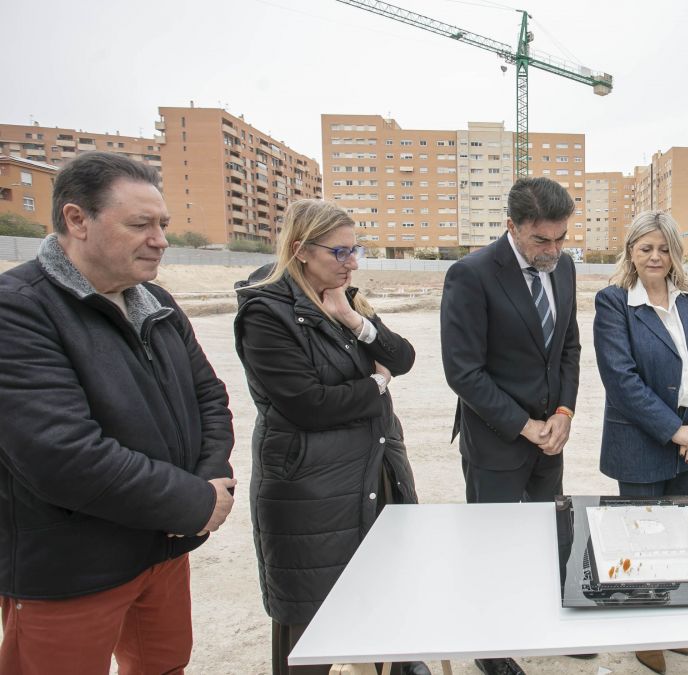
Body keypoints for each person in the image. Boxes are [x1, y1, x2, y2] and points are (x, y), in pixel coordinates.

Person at [0, 151, 235, 674]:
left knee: (163, 665)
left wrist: (209, 478)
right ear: (76, 220)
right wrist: (192, 500)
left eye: (164, 224)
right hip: (72, 569)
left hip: (162, 549)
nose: (161, 239)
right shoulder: (18, 308)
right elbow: (62, 455)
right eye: (140, 224)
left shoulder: (157, 303)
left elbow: (209, 400)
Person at [233, 200, 426, 675]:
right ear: (300, 249)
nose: (353, 261)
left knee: (379, 589)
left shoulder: (345, 298)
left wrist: (354, 320)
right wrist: (374, 385)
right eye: (341, 252)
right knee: (312, 617)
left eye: (355, 249)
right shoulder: (267, 312)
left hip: (374, 470)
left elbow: (402, 358)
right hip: (310, 488)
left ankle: (392, 663)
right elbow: (307, 404)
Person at [440, 177, 582, 675]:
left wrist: (563, 414)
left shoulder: (562, 268)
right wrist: (524, 425)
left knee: (548, 538)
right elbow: (463, 371)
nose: (554, 249)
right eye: (542, 240)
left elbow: (568, 347)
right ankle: (491, 646)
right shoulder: (471, 274)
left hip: (551, 439)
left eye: (562, 237)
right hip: (498, 439)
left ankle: (549, 623)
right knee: (494, 548)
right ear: (511, 226)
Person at [593, 211, 688, 674]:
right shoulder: (613, 303)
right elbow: (621, 379)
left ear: (675, 253)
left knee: (683, 540)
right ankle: (643, 635)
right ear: (630, 250)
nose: (655, 256)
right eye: (646, 247)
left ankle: (670, 627)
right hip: (643, 443)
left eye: (664, 248)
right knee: (639, 546)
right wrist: (674, 428)